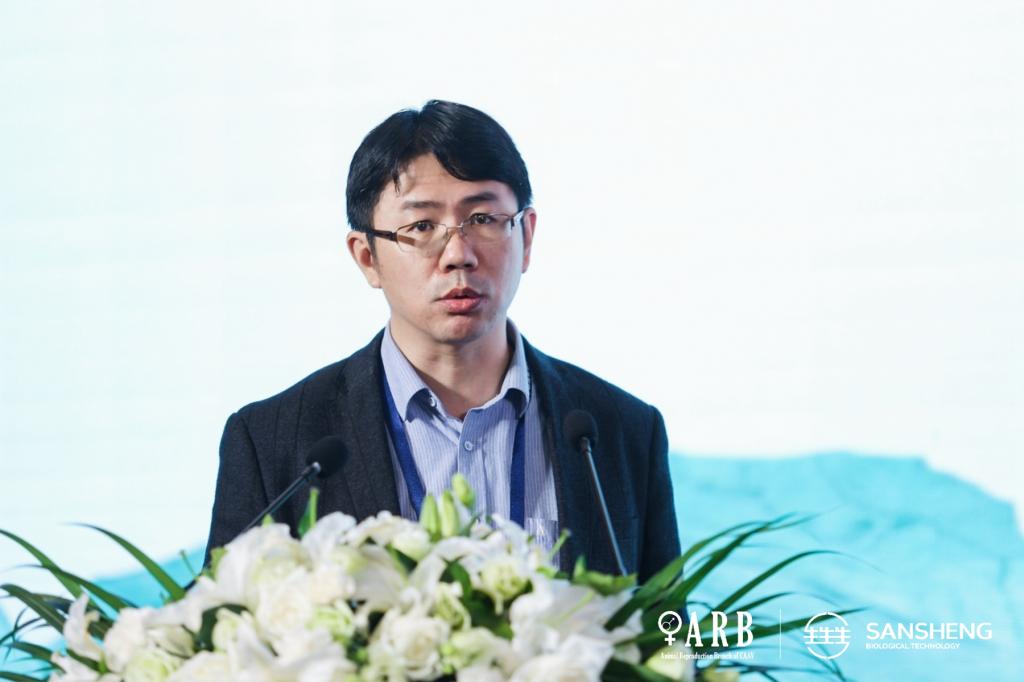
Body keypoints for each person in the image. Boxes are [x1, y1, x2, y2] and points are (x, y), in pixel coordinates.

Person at [205, 100, 679, 581]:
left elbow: (666, 625)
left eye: (483, 219)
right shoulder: (274, 445)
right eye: (422, 227)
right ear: (367, 257)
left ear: (527, 236)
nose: (458, 254)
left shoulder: (621, 431)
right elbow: (223, 622)